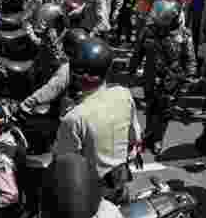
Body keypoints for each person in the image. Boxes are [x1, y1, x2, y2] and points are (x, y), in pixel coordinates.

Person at [53, 36, 142, 203]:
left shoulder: (74, 117)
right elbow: (135, 136)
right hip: (121, 179)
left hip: (94, 193)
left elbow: (64, 164)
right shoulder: (123, 93)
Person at [141, 0, 195, 156]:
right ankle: (149, 134)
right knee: (150, 108)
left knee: (165, 112)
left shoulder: (184, 35)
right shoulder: (149, 31)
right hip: (151, 76)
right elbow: (139, 51)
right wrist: (132, 69)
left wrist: (188, 80)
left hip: (171, 80)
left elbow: (190, 59)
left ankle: (158, 138)